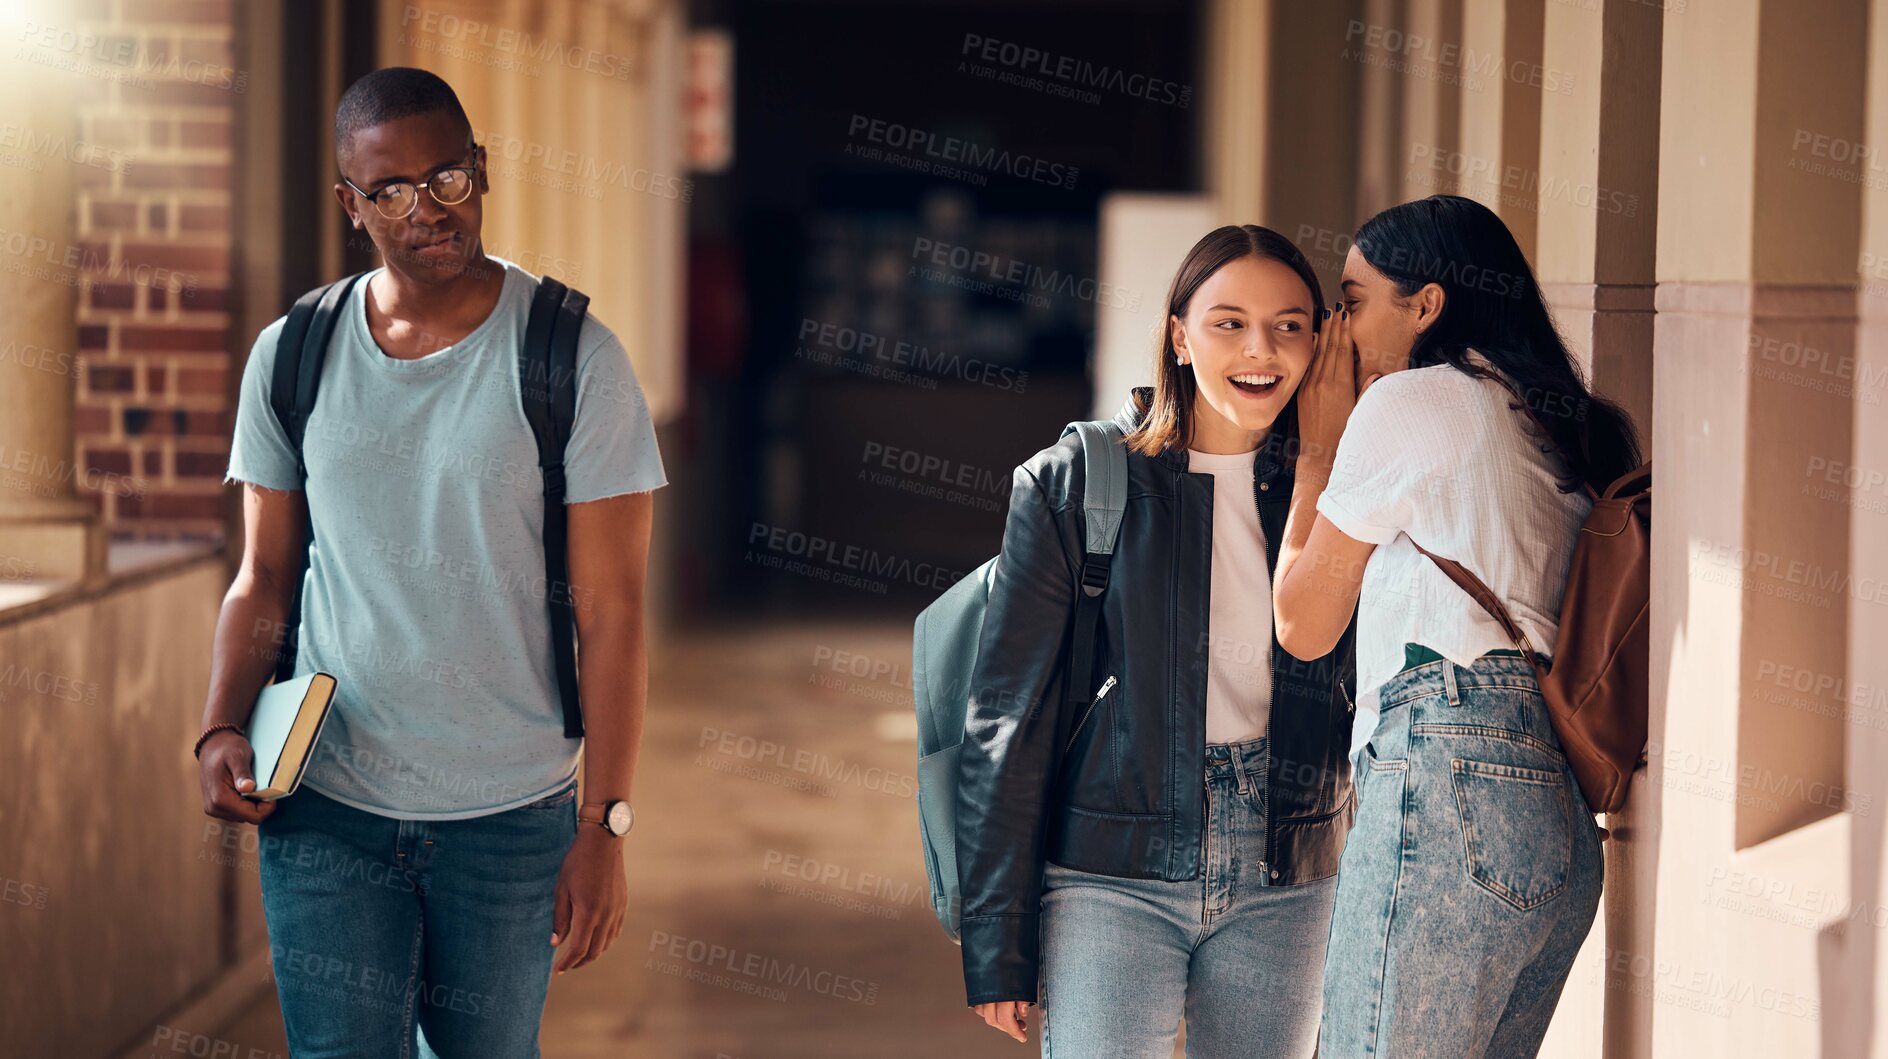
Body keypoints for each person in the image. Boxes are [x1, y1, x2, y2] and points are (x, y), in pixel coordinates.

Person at [194, 67, 666, 1057]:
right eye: (392, 191)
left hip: (510, 817)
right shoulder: (293, 355)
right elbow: (264, 576)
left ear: (479, 169)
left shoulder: (573, 358)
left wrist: (604, 825)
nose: (426, 211)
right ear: (351, 205)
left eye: (445, 178)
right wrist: (218, 728)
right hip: (324, 805)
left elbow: (613, 614)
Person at [957, 225, 1359, 1057]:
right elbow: (1007, 719)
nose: (1260, 350)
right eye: (1228, 323)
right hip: (1110, 869)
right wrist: (997, 939)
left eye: (1288, 325)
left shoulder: (1342, 487)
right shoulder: (1076, 482)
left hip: (1289, 870)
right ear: (1179, 335)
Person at [1272, 194, 1642, 1057]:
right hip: (1554, 810)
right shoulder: (1552, 419)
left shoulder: (1414, 402)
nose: (1338, 329)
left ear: (1426, 305)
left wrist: (1319, 448)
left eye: (1354, 301)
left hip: (1447, 773)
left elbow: (1302, 623)